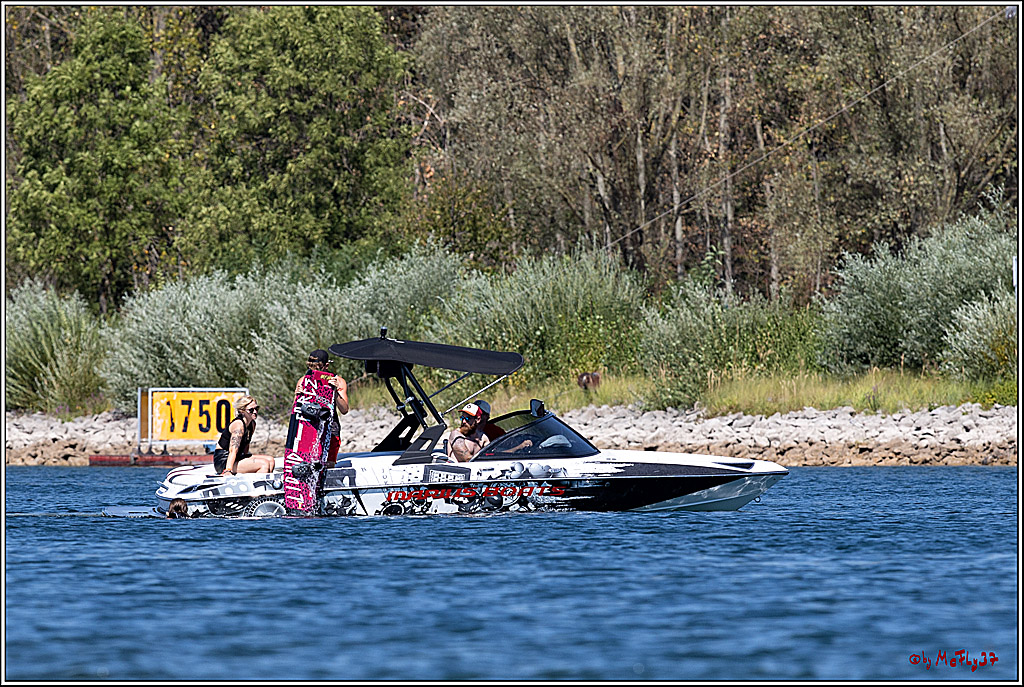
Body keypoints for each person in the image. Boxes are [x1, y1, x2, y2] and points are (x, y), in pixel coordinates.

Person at [293, 349, 349, 467]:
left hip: (330, 428)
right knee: (308, 465)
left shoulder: (338, 381)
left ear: (326, 366)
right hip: (309, 427)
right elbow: (295, 411)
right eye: (311, 367)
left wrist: (335, 392)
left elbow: (344, 409)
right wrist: (298, 397)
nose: (314, 371)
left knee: (328, 465)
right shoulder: (303, 381)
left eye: (318, 367)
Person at [213, 395, 275, 476]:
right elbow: (233, 450)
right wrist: (228, 470)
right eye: (251, 410)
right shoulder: (238, 425)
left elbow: (246, 445)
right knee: (264, 464)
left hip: (238, 457)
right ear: (242, 411)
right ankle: (257, 486)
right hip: (225, 460)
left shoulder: (252, 424)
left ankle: (263, 485)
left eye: (257, 408)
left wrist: (247, 459)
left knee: (270, 460)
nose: (255, 412)